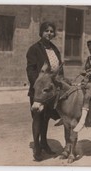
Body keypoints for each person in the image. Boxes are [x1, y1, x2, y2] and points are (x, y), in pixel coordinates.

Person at [26, 21, 63, 161]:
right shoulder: (34, 49)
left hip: (51, 91)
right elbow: (30, 70)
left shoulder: (54, 49)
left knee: (46, 117)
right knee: (37, 117)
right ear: (41, 32)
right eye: (46, 30)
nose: (49, 33)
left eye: (52, 31)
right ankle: (37, 147)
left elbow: (59, 70)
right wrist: (39, 84)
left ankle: (44, 143)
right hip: (40, 90)